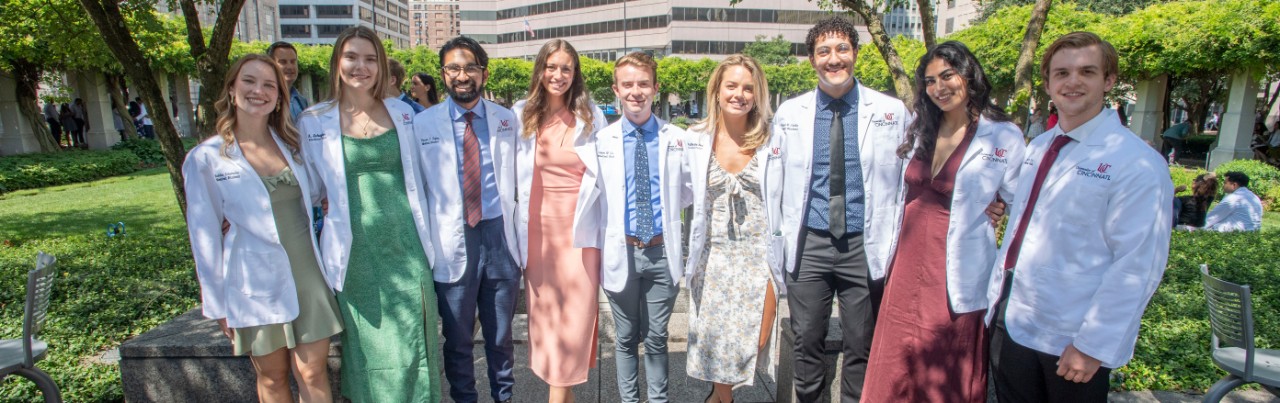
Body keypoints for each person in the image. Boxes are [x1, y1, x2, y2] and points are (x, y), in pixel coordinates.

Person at [985, 31, 1173, 403]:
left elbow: (1138, 264)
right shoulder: (1039, 148)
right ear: (1048, 83)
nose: (1072, 82)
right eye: (1061, 73)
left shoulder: (1136, 164)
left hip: (1071, 337)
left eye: (1087, 72)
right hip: (1012, 320)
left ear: (1109, 81)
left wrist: (1093, 345)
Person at [861, 41, 1026, 402]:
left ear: (969, 74)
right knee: (898, 359)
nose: (940, 88)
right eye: (931, 81)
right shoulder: (922, 127)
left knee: (943, 360)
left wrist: (995, 206)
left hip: (956, 267)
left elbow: (1021, 201)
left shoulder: (1003, 135)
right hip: (905, 261)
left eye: (947, 76)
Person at [183, 54, 342, 403]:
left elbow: (319, 191)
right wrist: (218, 304)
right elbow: (204, 236)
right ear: (231, 89)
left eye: (270, 84)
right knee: (272, 377)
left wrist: (332, 200)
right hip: (252, 281)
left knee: (313, 371)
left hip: (307, 274)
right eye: (249, 82)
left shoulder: (293, 145)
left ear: (280, 96)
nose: (259, 91)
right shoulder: (207, 158)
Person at [296, 26, 442, 402]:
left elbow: (428, 176)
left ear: (380, 66)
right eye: (351, 57)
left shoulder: (403, 113)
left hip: (407, 245)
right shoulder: (314, 120)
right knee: (367, 349)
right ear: (337, 63)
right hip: (355, 252)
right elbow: (309, 188)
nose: (360, 66)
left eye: (370, 59)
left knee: (413, 342)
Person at [767, 17, 910, 402]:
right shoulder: (790, 113)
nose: (834, 59)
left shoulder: (891, 111)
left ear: (856, 54)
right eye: (824, 51)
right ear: (812, 60)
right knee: (805, 341)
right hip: (809, 242)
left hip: (863, 245)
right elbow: (773, 180)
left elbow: (915, 172)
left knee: (862, 344)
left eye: (842, 49)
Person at [413, 36, 520, 403]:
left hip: (499, 238)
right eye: (454, 68)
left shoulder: (507, 120)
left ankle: (504, 397)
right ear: (443, 74)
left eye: (470, 67)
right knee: (457, 338)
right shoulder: (422, 125)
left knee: (500, 336)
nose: (462, 75)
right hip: (453, 236)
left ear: (484, 73)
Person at [583, 51, 692, 403]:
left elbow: (687, 192)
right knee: (626, 338)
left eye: (643, 83)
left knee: (658, 338)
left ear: (655, 88)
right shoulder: (601, 143)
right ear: (616, 89)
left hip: (661, 252)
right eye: (627, 84)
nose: (636, 91)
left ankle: (658, 400)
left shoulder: (677, 138)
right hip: (622, 251)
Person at [509, 39, 608, 403]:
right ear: (540, 69)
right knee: (548, 321)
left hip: (581, 233)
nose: (558, 75)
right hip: (539, 235)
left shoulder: (591, 116)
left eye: (566, 68)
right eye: (552, 67)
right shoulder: (522, 114)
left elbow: (607, 174)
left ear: (575, 73)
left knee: (575, 318)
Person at [682, 54, 780, 403]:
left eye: (748, 88)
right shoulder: (696, 138)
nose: (739, 94)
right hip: (713, 259)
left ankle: (715, 400)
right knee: (716, 348)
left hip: (757, 261)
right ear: (717, 91)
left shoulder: (772, 139)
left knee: (754, 341)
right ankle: (722, 400)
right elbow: (674, 192)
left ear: (758, 94)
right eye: (732, 86)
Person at [267, 41, 310, 123]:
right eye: (283, 62)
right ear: (270, 65)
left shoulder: (302, 101)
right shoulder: (265, 100)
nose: (290, 67)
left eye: (293, 62)